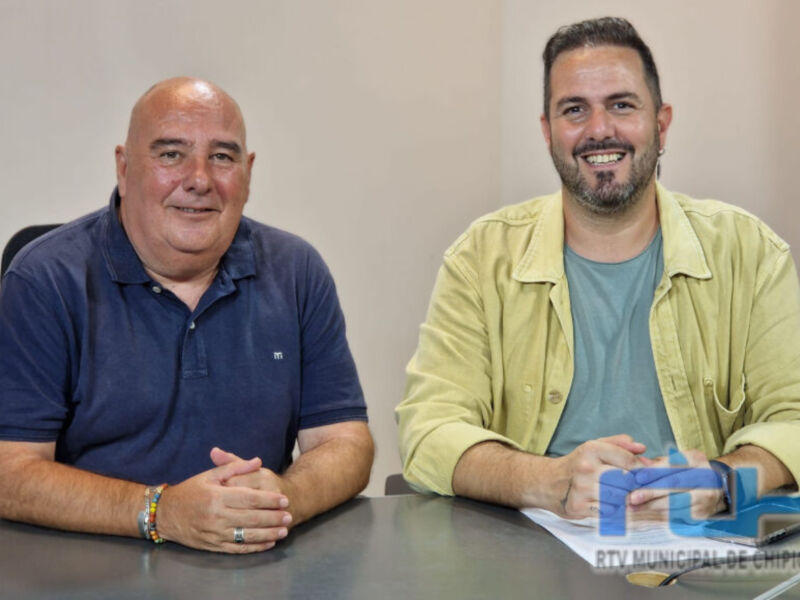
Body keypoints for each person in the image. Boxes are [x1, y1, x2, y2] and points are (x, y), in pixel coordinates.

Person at [396, 17, 800, 522]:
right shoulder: (480, 259)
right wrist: (546, 481)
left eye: (622, 105)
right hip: (529, 556)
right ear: (547, 131)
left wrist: (720, 480)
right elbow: (428, 430)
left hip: (699, 553)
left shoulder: (750, 254)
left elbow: (794, 418)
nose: (599, 129)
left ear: (661, 122)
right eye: (574, 110)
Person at [0, 77, 374, 553]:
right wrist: (161, 511)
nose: (199, 179)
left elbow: (346, 443)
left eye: (222, 156)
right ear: (124, 167)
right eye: (171, 154)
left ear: (248, 172)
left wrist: (288, 497)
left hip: (256, 565)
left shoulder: (297, 270)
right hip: (92, 567)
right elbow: (9, 470)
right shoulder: (44, 279)